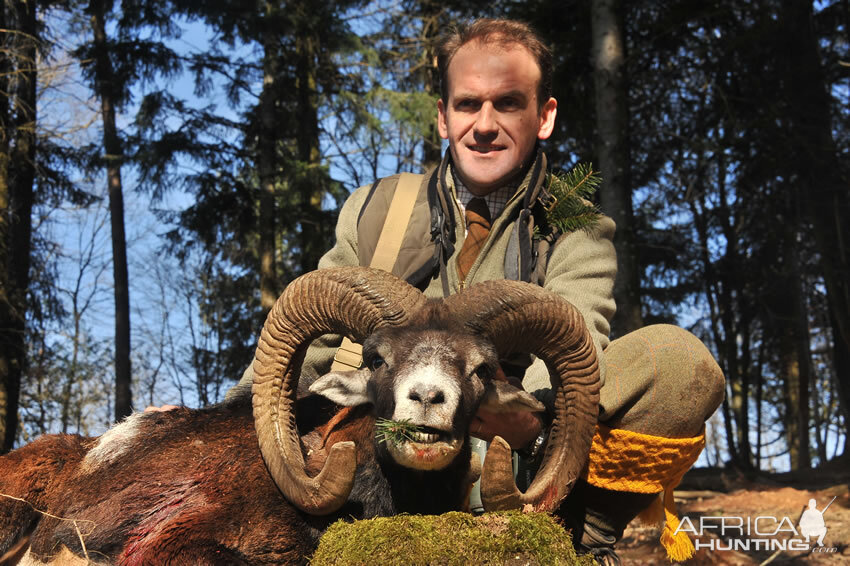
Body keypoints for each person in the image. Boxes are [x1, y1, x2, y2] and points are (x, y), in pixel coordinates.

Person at [227, 18, 725, 565]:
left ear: (545, 116)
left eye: (508, 103)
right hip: (377, 448)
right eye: (467, 104)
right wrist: (221, 424)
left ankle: (582, 541)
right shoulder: (377, 211)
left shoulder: (576, 228)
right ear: (443, 116)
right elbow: (306, 343)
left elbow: (579, 341)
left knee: (677, 363)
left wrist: (525, 419)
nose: (484, 125)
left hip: (507, 451)